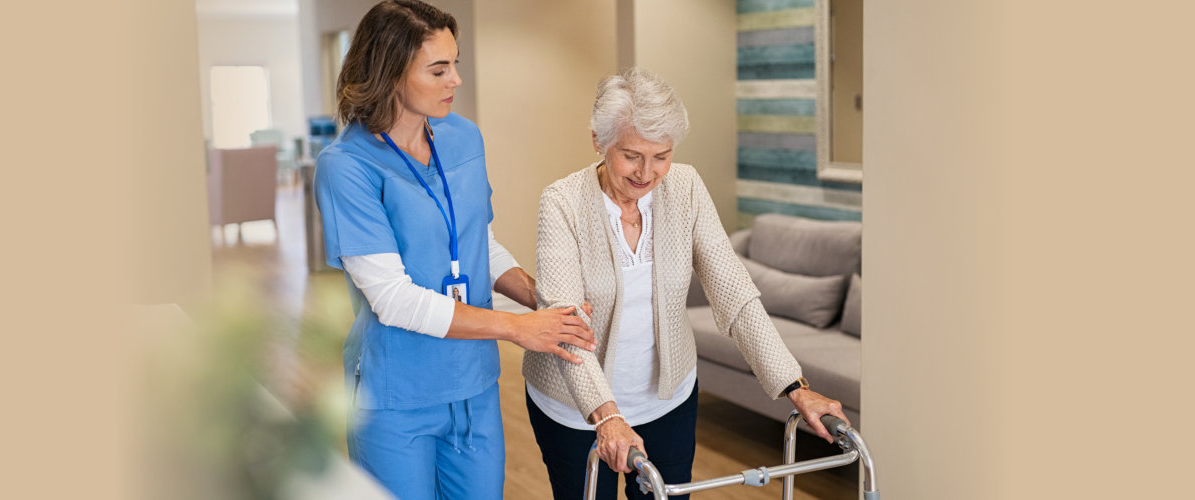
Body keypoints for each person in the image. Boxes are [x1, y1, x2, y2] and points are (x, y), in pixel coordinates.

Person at [522, 68, 850, 500]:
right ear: (598, 143)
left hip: (667, 398)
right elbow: (567, 326)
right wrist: (606, 417)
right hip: (574, 407)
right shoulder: (562, 202)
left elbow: (734, 293)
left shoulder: (687, 188)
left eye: (662, 155)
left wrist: (795, 387)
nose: (648, 172)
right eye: (632, 155)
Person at [313, 2, 596, 498]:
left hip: (474, 385)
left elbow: (477, 246)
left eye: (455, 63)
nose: (456, 80)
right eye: (439, 69)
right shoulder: (347, 167)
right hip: (396, 396)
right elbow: (393, 299)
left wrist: (542, 301)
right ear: (390, 72)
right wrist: (519, 328)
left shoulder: (464, 138)